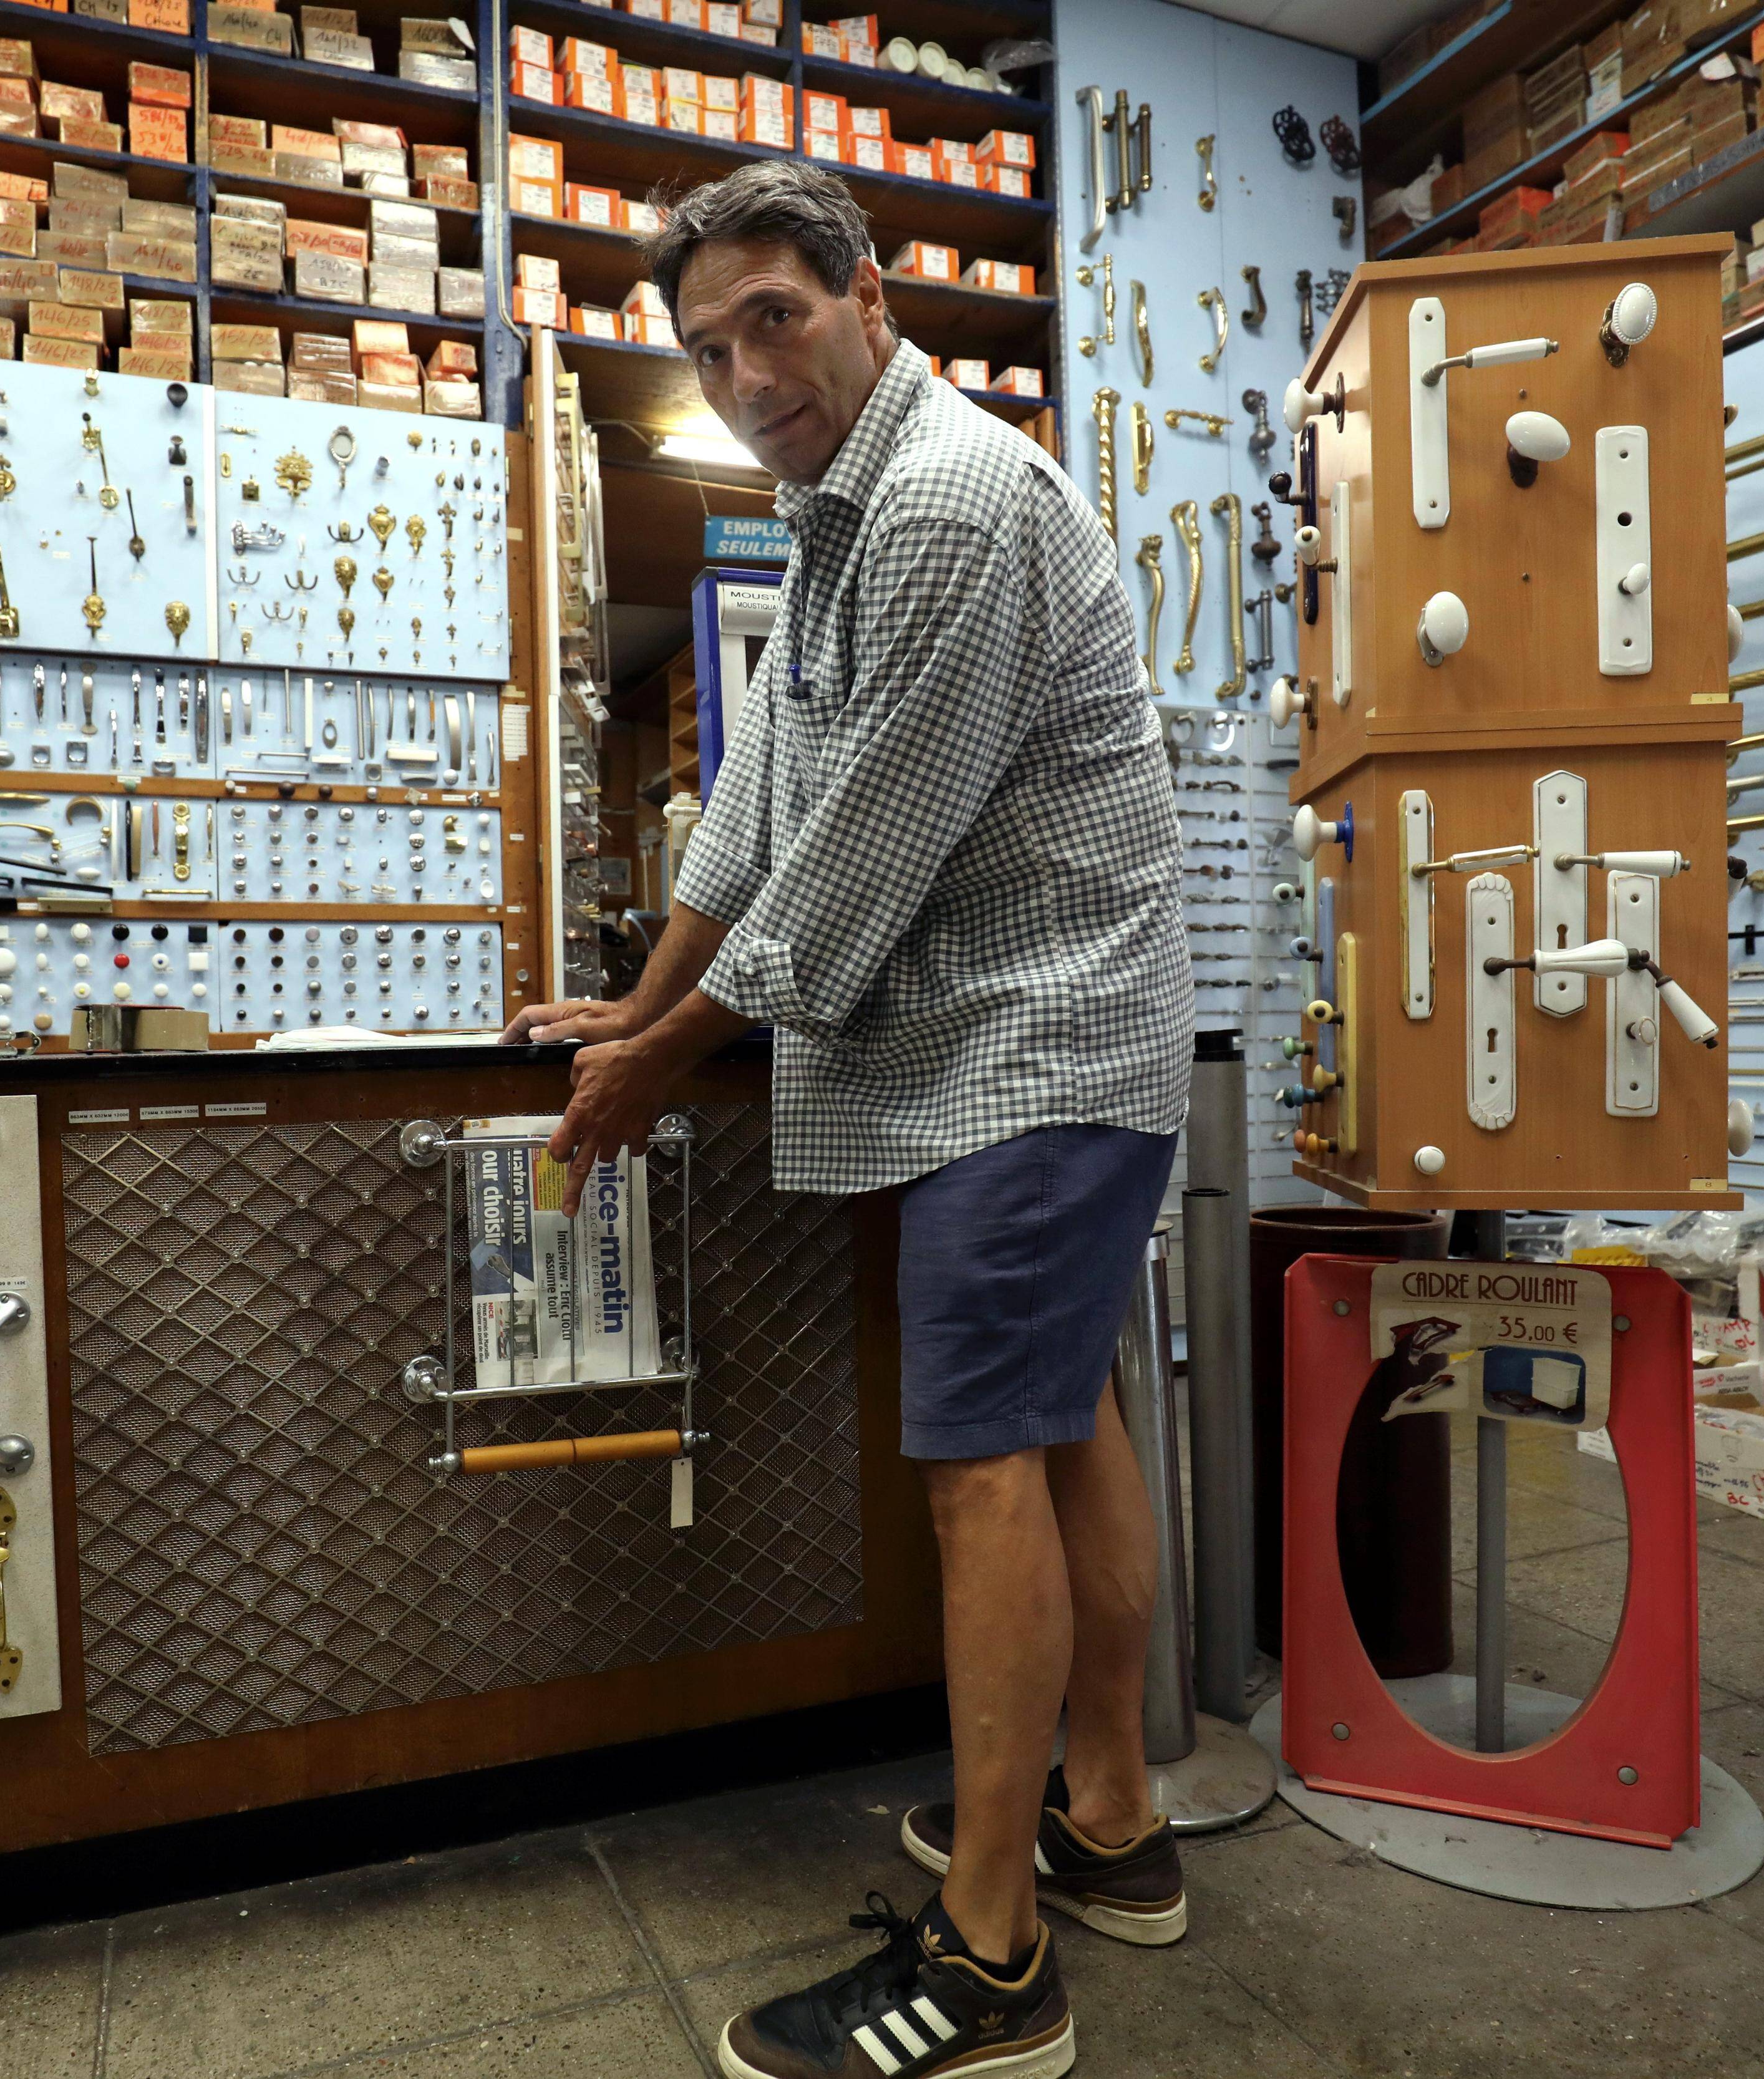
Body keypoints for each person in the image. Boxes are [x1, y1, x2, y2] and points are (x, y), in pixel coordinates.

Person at [498, 159, 1193, 2079]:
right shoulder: (838, 517)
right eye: (710, 348)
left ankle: (994, 1961)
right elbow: (755, 811)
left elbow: (864, 850)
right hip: (1012, 1049)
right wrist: (640, 1001)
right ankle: (1111, 1825)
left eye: (776, 321)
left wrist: (662, 1058)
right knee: (1061, 1426)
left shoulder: (951, 502)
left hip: (1033, 1048)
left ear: (869, 300)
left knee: (984, 1467)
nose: (747, 375)